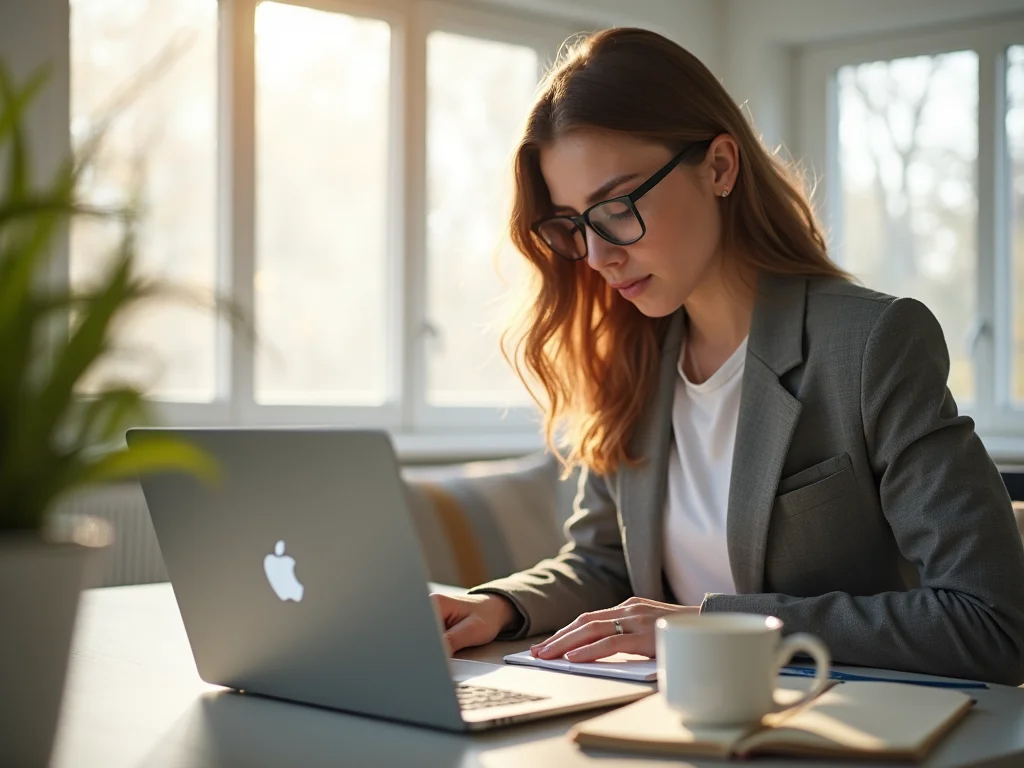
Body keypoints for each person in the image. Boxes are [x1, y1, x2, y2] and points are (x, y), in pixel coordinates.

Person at [429, 27, 1024, 686]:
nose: (598, 256)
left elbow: (991, 620)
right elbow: (604, 566)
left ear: (718, 167)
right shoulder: (630, 358)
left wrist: (706, 625)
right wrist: (497, 605)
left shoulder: (873, 344)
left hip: (829, 729)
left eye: (617, 207)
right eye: (573, 224)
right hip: (662, 717)